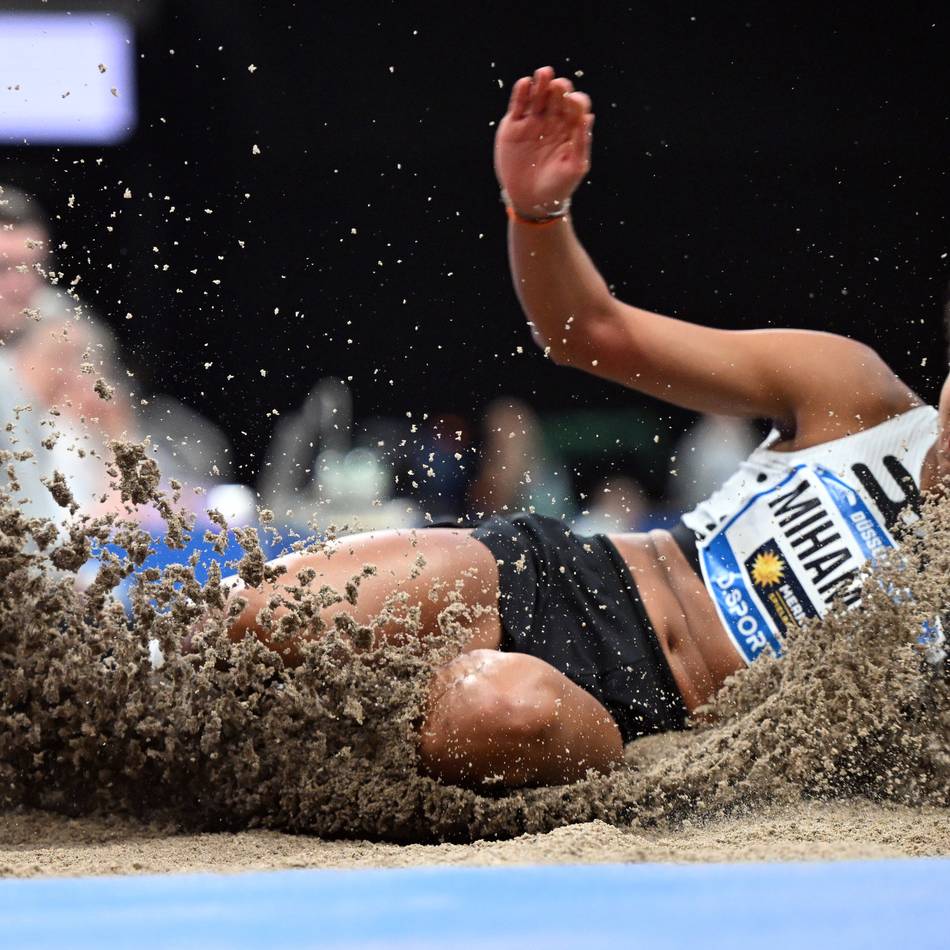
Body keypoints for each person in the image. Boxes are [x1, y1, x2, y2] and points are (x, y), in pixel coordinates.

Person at [225, 66, 947, 790]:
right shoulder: (858, 395)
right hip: (577, 576)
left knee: (486, 707)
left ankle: (316, 768)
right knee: (254, 617)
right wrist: (538, 214)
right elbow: (590, 332)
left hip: (655, 721)